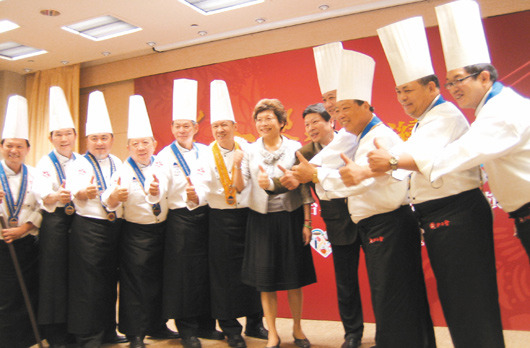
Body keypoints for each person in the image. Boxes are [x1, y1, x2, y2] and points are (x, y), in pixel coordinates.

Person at [367, 16, 505, 348]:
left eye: (408, 90)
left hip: (458, 214)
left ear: (432, 88)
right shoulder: (424, 121)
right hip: (442, 217)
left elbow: (417, 158)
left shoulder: (444, 116)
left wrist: (385, 161)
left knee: (470, 301)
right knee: (458, 302)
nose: (402, 98)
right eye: (398, 91)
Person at [301, 50, 435, 348]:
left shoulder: (380, 138)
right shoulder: (358, 136)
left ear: (366, 105)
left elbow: (353, 183)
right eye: (335, 110)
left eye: (345, 107)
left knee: (394, 298)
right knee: (393, 297)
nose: (339, 115)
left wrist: (315, 175)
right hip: (378, 227)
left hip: (389, 225)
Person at [410, 0, 530, 261]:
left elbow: (464, 152)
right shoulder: (489, 109)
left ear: (484, 77)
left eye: (458, 80)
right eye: (449, 82)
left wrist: (398, 162)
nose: (453, 89)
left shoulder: (503, 109)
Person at [102, 95, 178, 348]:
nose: (141, 147)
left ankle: (158, 325)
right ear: (128, 147)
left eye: (145, 142)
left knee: (161, 280)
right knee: (135, 286)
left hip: (164, 230)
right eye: (135, 143)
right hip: (135, 234)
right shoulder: (122, 171)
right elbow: (109, 203)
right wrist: (113, 197)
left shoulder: (165, 164)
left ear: (154, 143)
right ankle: (135, 334)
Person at [241, 98, 316, 348]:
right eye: (259, 119)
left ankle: (297, 328)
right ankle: (272, 332)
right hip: (260, 220)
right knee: (265, 281)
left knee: (294, 278)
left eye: (269, 118)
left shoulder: (295, 148)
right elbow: (240, 185)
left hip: (291, 217)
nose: (263, 123)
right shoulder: (249, 151)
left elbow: (304, 187)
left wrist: (307, 222)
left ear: (281, 122)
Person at [156, 79, 223, 348]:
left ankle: (207, 325)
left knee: (207, 271)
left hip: (206, 217)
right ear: (171, 128)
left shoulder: (207, 151)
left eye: (187, 125)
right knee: (183, 276)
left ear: (196, 128)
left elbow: (217, 182)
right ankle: (186, 329)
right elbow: (158, 190)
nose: (182, 130)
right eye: (177, 126)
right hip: (180, 220)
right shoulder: (162, 156)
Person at [203, 80, 267, 348]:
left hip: (248, 218)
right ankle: (231, 328)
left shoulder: (249, 148)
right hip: (220, 220)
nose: (220, 130)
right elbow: (202, 183)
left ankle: (256, 322)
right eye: (216, 126)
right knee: (223, 276)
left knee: (253, 271)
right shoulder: (207, 154)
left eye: (224, 125)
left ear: (234, 126)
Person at [66, 90, 125, 347]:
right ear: (87, 140)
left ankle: (108, 330)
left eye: (103, 138)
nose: (99, 143)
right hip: (88, 229)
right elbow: (74, 191)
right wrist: (82, 192)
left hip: (115, 228)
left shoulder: (118, 161)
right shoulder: (78, 163)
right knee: (88, 284)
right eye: (94, 138)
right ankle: (89, 336)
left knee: (110, 281)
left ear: (112, 139)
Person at [34, 86, 78, 348]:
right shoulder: (44, 164)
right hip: (54, 225)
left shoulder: (82, 161)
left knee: (75, 278)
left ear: (74, 136)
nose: (64, 138)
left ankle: (74, 329)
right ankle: (56, 334)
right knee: (54, 280)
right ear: (51, 138)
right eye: (58, 134)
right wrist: (56, 197)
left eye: (68, 133)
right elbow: (42, 196)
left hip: (78, 224)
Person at [0, 95, 42, 348]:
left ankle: (26, 340)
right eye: (9, 146)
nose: (14, 151)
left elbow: (42, 208)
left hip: (27, 244)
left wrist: (24, 229)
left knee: (28, 291)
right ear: (2, 146)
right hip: (1, 245)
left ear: (27, 149)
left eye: (19, 146)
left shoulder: (36, 174)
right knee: (6, 297)